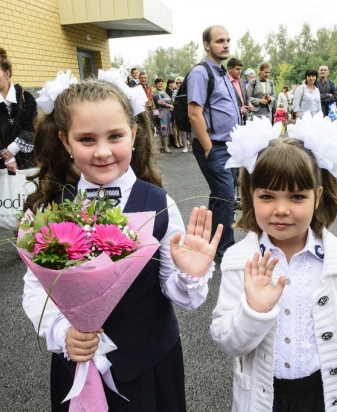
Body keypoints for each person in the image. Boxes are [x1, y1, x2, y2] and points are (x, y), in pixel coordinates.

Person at [22, 78, 223, 412]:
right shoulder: (54, 207)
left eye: (115, 136)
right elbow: (36, 288)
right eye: (86, 139)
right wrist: (60, 332)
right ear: (65, 141)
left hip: (149, 365)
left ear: (133, 133)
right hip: (78, 361)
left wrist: (189, 275)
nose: (102, 151)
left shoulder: (159, 203)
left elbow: (177, 295)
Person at [210, 128, 337, 412]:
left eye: (296, 197)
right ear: (250, 195)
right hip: (263, 397)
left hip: (328, 395)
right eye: (267, 196)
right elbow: (226, 341)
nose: (281, 209)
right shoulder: (239, 260)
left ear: (317, 196)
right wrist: (253, 311)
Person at [187, 25, 241, 260]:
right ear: (207, 45)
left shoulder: (222, 73)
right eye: (220, 41)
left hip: (230, 146)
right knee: (226, 195)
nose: (226, 44)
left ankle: (212, 241)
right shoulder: (201, 73)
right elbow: (194, 113)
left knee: (221, 196)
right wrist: (208, 147)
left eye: (228, 40)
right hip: (215, 147)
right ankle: (224, 250)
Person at [0, 48, 37, 173]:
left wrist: (12, 149)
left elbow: (32, 128)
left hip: (27, 163)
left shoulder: (26, 97)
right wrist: (7, 158)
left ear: (7, 74)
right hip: (1, 165)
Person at [227, 57, 253, 125]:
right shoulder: (224, 82)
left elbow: (246, 97)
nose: (240, 71)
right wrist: (239, 109)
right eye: (237, 69)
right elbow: (224, 103)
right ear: (230, 69)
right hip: (231, 120)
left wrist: (249, 104)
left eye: (241, 69)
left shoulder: (241, 81)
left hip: (244, 119)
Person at [153, 77, 175, 153]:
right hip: (161, 112)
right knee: (163, 129)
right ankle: (165, 147)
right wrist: (169, 105)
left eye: (161, 83)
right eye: (158, 83)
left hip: (167, 112)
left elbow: (170, 100)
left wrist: (170, 105)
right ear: (156, 84)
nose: (160, 85)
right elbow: (160, 102)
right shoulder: (155, 92)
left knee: (167, 128)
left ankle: (163, 146)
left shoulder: (164, 92)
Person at [173, 76, 192, 152]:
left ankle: (192, 145)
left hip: (188, 110)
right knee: (183, 130)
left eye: (180, 82)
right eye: (177, 83)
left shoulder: (188, 90)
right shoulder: (175, 92)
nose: (178, 84)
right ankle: (185, 147)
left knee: (191, 130)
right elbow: (173, 102)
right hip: (179, 111)